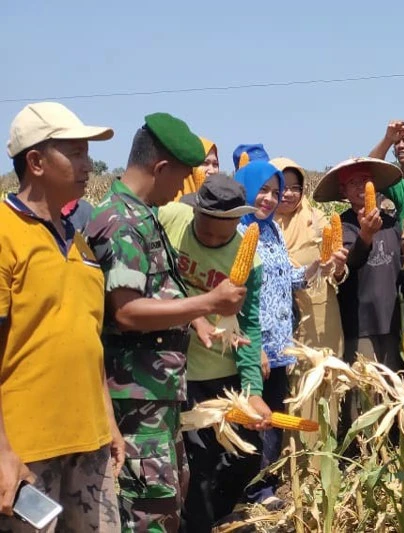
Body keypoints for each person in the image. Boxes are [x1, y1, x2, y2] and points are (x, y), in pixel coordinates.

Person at [86, 113, 248, 532]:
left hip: (157, 395)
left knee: (169, 500)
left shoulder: (144, 215)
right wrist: (208, 302)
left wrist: (198, 322)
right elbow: (126, 310)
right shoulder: (121, 221)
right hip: (135, 400)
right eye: (179, 179)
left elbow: (160, 290)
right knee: (147, 512)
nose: (181, 190)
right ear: (160, 168)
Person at [0, 102, 121, 532]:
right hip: (27, 451)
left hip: (89, 445)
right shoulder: (5, 233)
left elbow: (88, 341)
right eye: (75, 153)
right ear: (35, 162)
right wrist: (2, 450)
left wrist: (107, 422)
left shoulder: (82, 244)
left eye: (87, 153)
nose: (88, 165)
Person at [158, 176, 269, 531]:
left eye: (225, 235)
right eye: (207, 234)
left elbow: (250, 324)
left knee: (249, 457)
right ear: (195, 212)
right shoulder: (171, 220)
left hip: (227, 375)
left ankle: (215, 515)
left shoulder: (248, 257)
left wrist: (253, 390)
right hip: (183, 372)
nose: (216, 241)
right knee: (199, 468)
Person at [233, 159, 335, 509]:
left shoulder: (272, 229)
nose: (269, 199)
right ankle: (249, 490)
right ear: (246, 188)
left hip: (280, 345)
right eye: (262, 191)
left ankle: (267, 484)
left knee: (273, 417)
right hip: (254, 345)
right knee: (253, 420)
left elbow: (288, 277)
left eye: (275, 193)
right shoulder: (237, 229)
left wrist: (319, 264)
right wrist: (255, 347)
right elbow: (238, 292)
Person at [312, 157, 404, 371]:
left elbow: (403, 269)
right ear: (344, 191)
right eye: (353, 182)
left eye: (366, 180)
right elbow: (348, 265)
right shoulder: (343, 224)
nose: (361, 186)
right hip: (360, 324)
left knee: (391, 392)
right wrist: (366, 235)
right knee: (363, 393)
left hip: (392, 321)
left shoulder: (391, 223)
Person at [272, 157, 345, 355]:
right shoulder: (259, 224)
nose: (288, 194)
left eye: (295, 187)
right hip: (277, 316)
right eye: (282, 187)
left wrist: (337, 267)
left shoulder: (316, 219)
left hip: (318, 314)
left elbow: (336, 270)